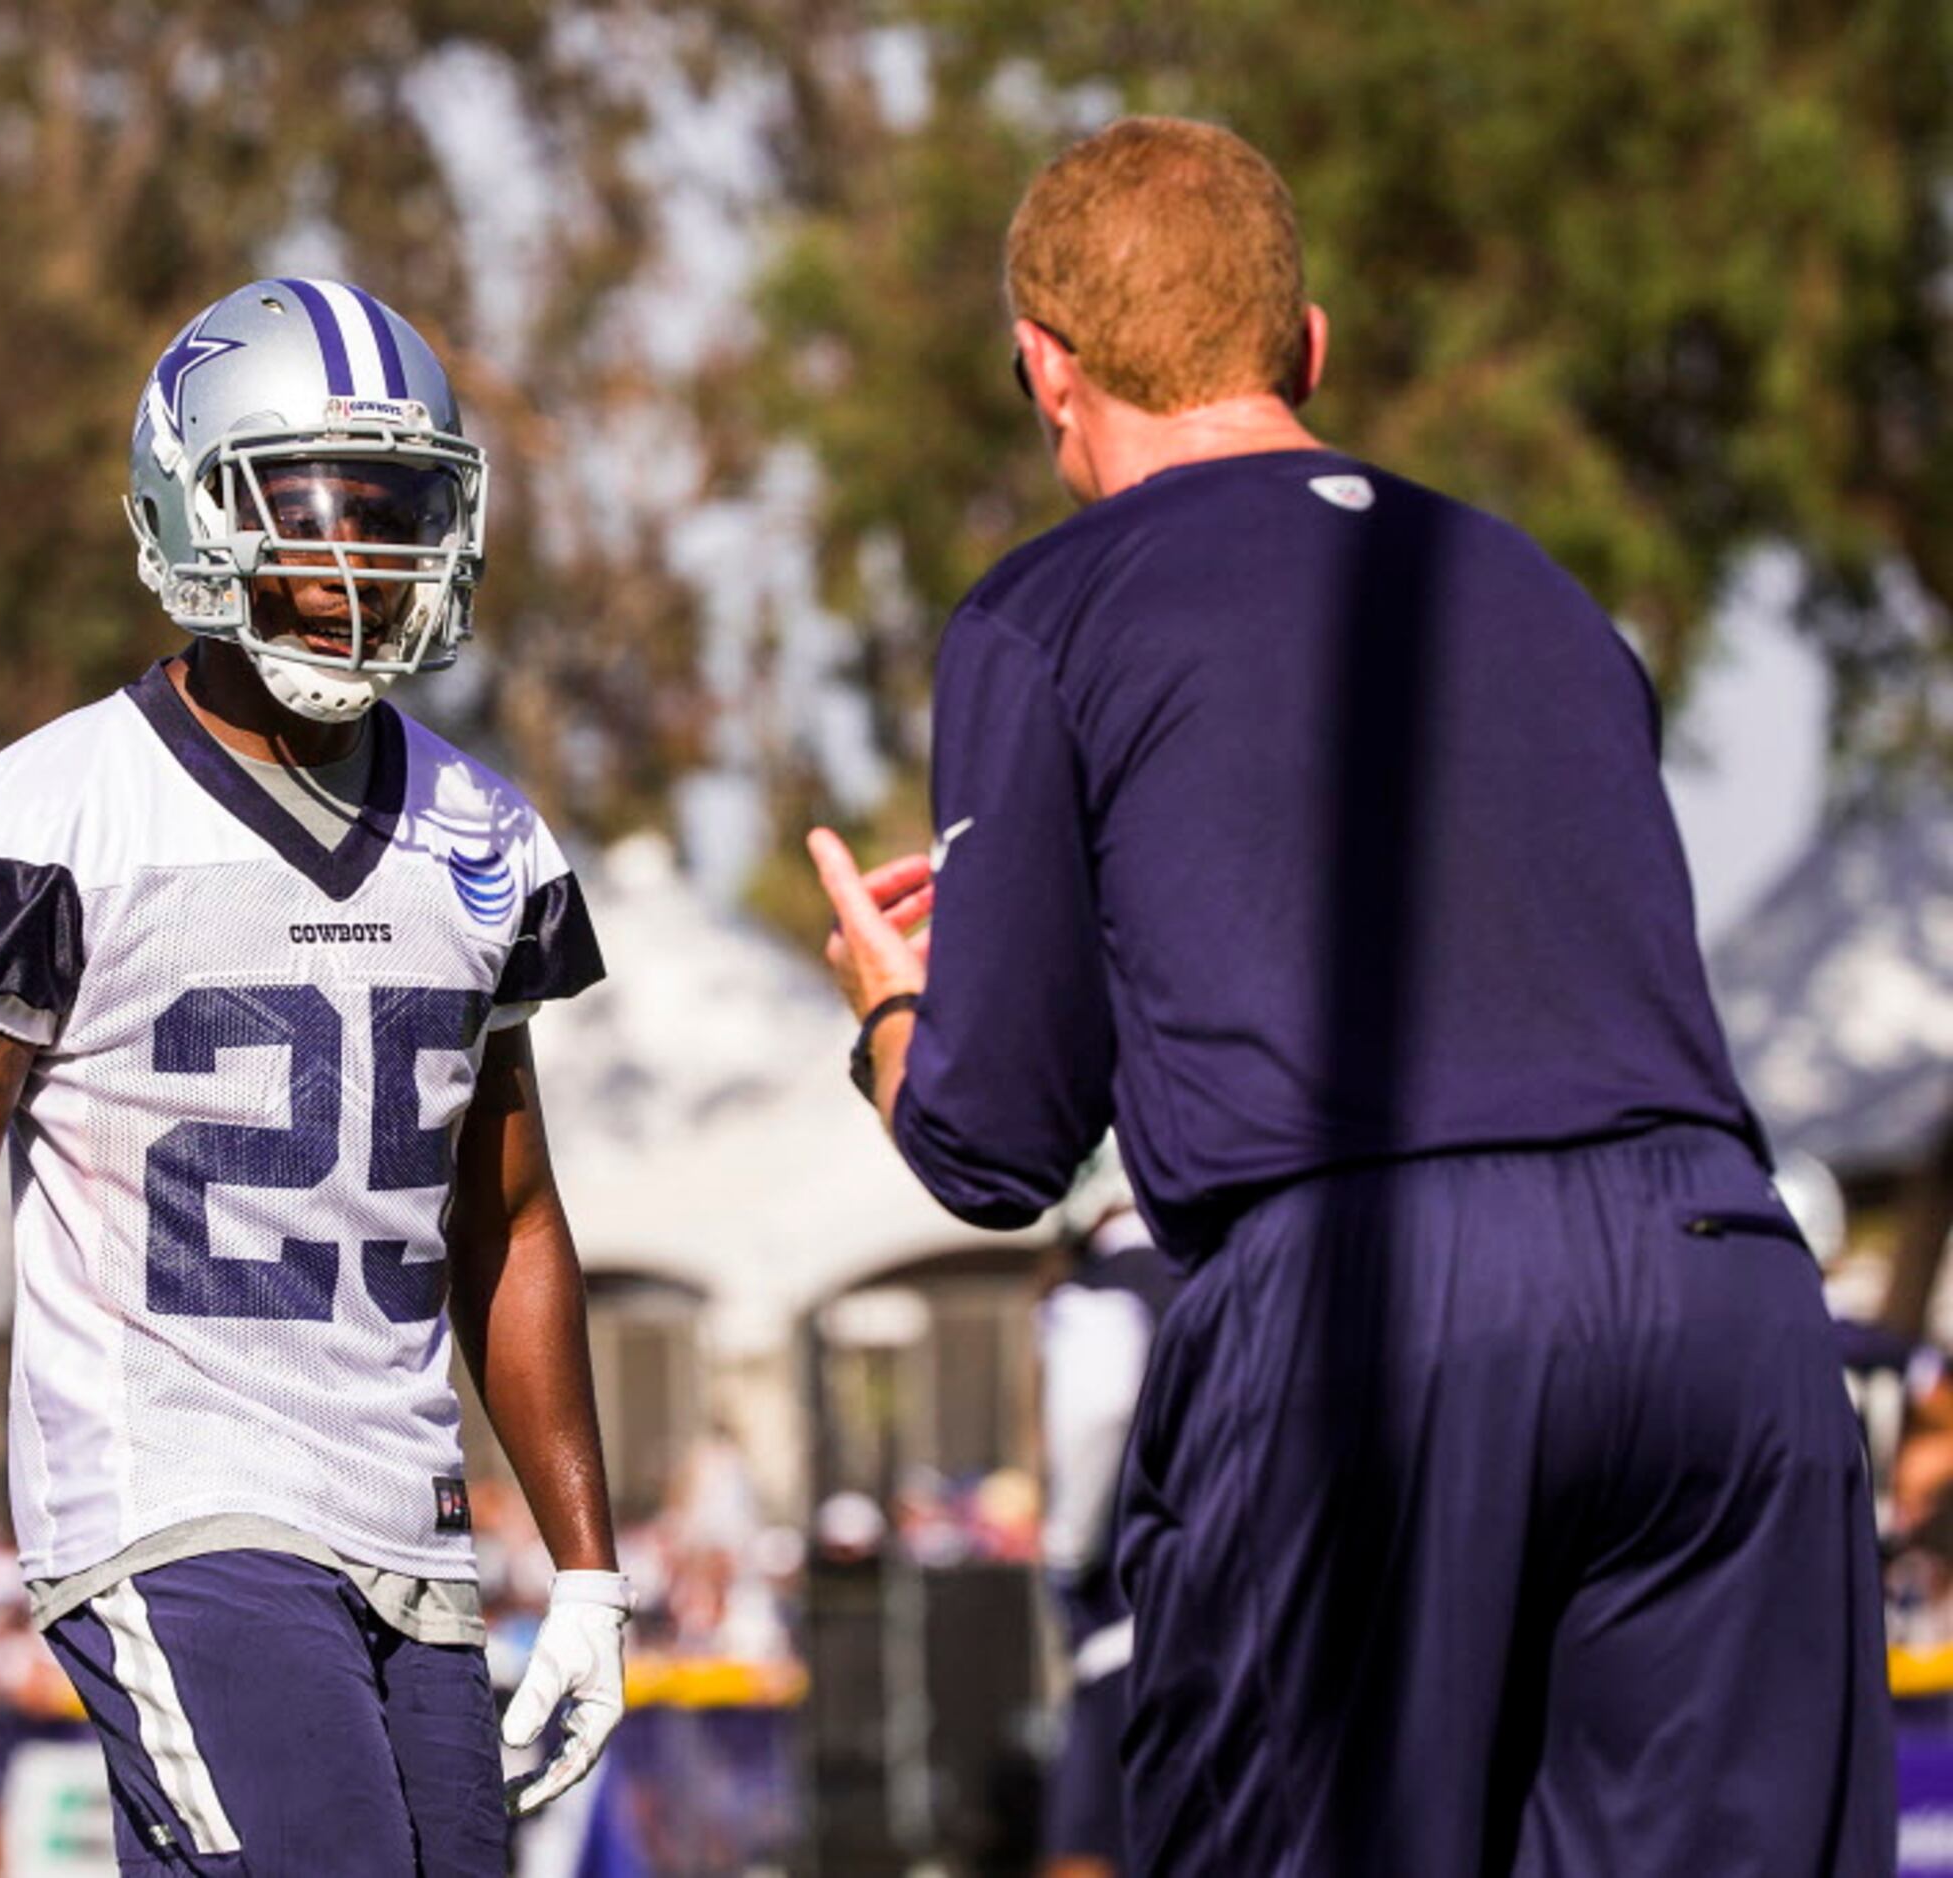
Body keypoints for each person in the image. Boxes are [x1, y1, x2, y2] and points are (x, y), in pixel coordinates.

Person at [807, 117, 1889, 1874]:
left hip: (1376, 1298)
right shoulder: (1541, 589)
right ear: (1307, 349)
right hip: (1725, 1280)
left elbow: (997, 1138)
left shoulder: (1046, 609)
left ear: (1041, 367)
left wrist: (889, 1008)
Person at [0, 279, 629, 1875]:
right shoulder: (54, 819)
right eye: (306, 511)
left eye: (394, 512)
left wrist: (586, 1565)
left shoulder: (486, 838)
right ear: (189, 505)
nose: (358, 563)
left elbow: (507, 1217)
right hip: (172, 1500)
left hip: (406, 1517)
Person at [1033, 1139, 1179, 1878]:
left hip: (1129, 1625)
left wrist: (1065, 1546)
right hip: (1239, 1622)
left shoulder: (1102, 1292)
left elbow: (1095, 1415)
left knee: (1085, 1847)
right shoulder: (1234, 1277)